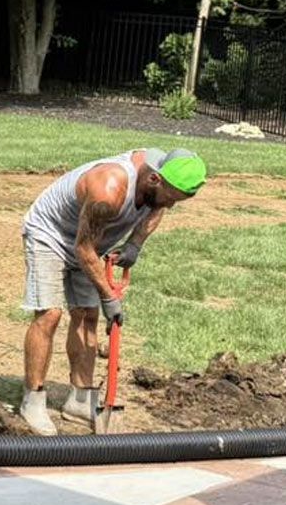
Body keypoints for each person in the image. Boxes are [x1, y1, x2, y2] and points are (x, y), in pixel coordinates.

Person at [18, 147, 206, 434]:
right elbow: (83, 249)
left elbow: (159, 207)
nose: (170, 205)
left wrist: (135, 244)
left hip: (93, 240)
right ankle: (33, 399)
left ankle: (80, 399)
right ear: (155, 179)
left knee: (86, 315)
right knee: (50, 315)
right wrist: (109, 296)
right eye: (171, 197)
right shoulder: (109, 188)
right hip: (51, 234)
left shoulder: (162, 179)